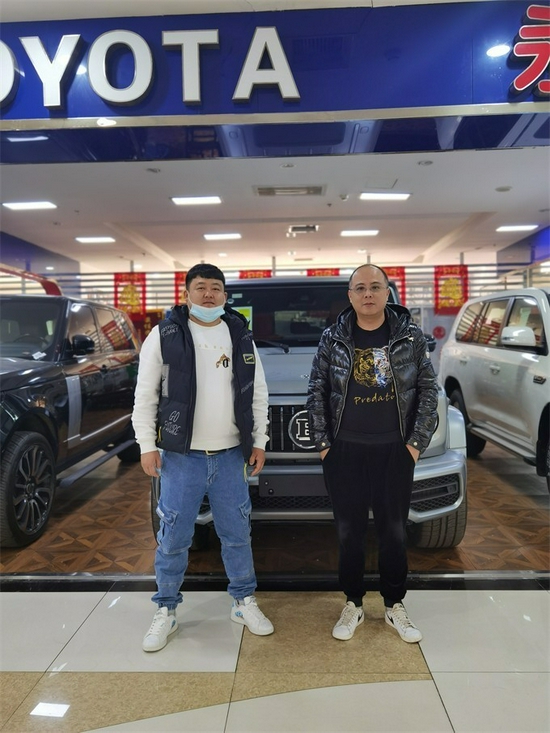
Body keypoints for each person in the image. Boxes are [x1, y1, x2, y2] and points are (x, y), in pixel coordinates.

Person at [132, 263, 274, 652]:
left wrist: (259, 440)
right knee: (174, 537)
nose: (208, 294)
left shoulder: (240, 334)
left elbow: (258, 391)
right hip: (181, 457)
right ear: (186, 293)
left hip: (230, 456)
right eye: (200, 287)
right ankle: (166, 609)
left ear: (225, 296)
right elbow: (145, 395)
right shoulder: (164, 335)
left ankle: (243, 601)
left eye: (215, 288)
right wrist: (146, 444)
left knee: (237, 534)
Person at [306, 264, 438, 643]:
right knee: (349, 533)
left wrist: (414, 445)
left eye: (375, 287)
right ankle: (353, 603)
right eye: (360, 288)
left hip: (394, 450)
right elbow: (316, 391)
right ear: (350, 295)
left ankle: (394, 604)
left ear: (387, 293)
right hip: (344, 452)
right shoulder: (333, 338)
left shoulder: (410, 336)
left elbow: (428, 391)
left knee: (393, 532)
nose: (368, 294)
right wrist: (324, 446)